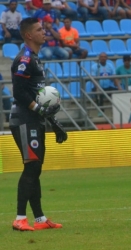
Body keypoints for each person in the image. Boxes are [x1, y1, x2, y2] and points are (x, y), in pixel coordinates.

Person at [10, 17, 67, 231]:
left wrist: (52, 122)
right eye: (39, 29)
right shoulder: (24, 59)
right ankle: (19, 218)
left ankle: (40, 219)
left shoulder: (35, 59)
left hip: (33, 120)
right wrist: (36, 110)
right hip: (24, 120)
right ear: (28, 35)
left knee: (35, 169)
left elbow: (37, 97)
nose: (44, 32)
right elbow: (19, 91)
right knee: (31, 168)